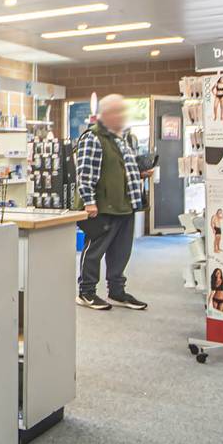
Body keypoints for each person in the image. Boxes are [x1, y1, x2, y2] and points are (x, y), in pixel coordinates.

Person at [75, 94, 151, 311]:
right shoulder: (93, 138)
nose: (123, 116)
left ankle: (117, 291)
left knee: (121, 252)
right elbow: (85, 174)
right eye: (119, 112)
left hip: (124, 205)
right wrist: (89, 202)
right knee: (94, 251)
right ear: (106, 114)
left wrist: (140, 174)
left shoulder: (121, 139)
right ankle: (86, 292)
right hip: (103, 207)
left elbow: (120, 169)